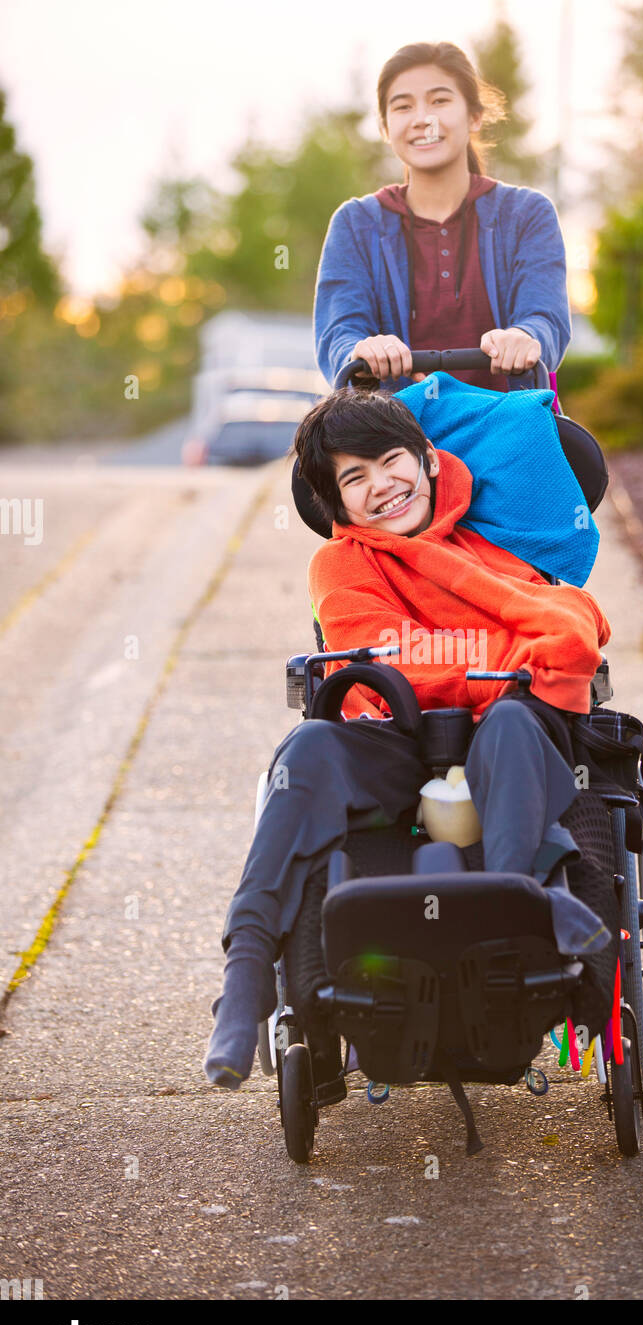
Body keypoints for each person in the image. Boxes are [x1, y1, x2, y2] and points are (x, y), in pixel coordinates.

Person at [203, 389, 611, 1094]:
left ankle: (514, 909)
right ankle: (245, 977)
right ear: (337, 504)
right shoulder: (342, 563)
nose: (380, 487)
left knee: (515, 721)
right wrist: (492, 659)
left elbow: (570, 630)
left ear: (426, 460)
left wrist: (460, 667)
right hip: (392, 740)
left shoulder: (499, 545)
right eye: (353, 478)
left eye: (390, 461)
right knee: (306, 749)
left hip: (506, 741)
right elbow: (377, 658)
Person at [313, 40, 572, 394]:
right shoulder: (355, 224)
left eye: (440, 101)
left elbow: (546, 318)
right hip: (391, 435)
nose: (422, 119)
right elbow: (340, 333)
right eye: (403, 106)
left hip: (507, 424)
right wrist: (360, 350)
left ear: (475, 116)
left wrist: (525, 337)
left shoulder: (528, 214)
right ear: (386, 128)